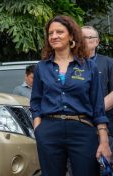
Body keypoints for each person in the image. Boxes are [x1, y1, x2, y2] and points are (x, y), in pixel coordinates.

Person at [30, 15, 111, 176]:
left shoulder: (89, 66)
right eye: (50, 33)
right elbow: (36, 102)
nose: (54, 36)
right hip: (49, 130)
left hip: (82, 129)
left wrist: (103, 139)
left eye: (59, 32)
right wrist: (38, 128)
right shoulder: (41, 67)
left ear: (72, 36)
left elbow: (98, 106)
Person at [82, 26, 113, 131]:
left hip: (104, 122)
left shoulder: (108, 63)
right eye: (81, 37)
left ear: (97, 41)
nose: (84, 41)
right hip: (77, 122)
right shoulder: (71, 63)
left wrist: (95, 110)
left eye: (88, 37)